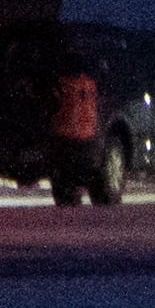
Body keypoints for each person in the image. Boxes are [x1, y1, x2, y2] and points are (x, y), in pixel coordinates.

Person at [48, 54, 105, 205]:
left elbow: (54, 105)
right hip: (88, 133)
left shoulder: (63, 85)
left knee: (64, 169)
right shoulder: (90, 84)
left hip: (66, 133)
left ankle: (68, 196)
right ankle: (99, 197)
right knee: (88, 169)